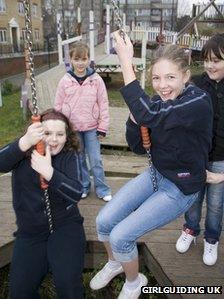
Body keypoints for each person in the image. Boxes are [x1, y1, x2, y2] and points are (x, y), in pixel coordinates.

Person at [89, 31, 213, 299]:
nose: (162, 85)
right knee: (103, 221)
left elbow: (149, 113)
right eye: (156, 78)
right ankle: (114, 263)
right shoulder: (156, 102)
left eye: (170, 77)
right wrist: (135, 120)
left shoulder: (197, 102)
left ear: (185, 76)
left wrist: (125, 62)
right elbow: (137, 146)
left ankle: (135, 281)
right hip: (157, 173)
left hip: (180, 188)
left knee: (122, 236)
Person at [0, 109, 86, 298]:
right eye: (47, 133)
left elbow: (76, 193)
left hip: (65, 227)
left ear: (67, 137)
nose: (54, 140)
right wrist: (23, 143)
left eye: (60, 134)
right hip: (30, 232)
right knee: (20, 292)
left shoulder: (69, 155)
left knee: (68, 286)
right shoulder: (22, 153)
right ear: (36, 133)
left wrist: (50, 173)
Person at [176, 33, 224, 266]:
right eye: (206, 59)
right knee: (193, 198)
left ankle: (212, 238)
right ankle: (190, 229)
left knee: (215, 204)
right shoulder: (194, 84)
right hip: (196, 155)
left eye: (216, 60)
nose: (209, 65)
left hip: (221, 158)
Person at [55, 42, 112, 202]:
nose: (81, 63)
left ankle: (102, 189)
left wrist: (103, 126)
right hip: (73, 128)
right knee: (79, 159)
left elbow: (103, 103)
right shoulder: (65, 81)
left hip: (92, 128)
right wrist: (61, 127)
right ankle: (84, 186)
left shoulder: (96, 80)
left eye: (84, 59)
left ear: (89, 60)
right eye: (77, 59)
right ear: (71, 60)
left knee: (95, 160)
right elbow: (58, 105)